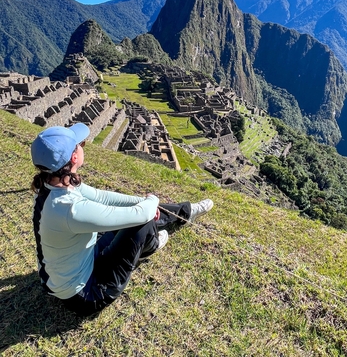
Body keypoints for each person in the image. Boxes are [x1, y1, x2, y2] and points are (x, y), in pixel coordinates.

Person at [30, 123, 213, 317]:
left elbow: (103, 198)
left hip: (72, 268)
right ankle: (149, 246)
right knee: (142, 222)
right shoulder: (70, 209)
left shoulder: (51, 185)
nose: (83, 145)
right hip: (86, 294)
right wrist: (152, 201)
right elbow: (140, 215)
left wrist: (143, 202)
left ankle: (185, 211)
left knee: (140, 213)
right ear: (74, 157)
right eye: (80, 143)